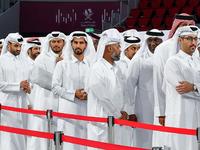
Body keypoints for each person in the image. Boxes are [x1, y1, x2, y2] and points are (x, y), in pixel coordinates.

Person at [152, 13, 195, 147]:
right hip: (172, 103)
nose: (187, 28)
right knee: (173, 141)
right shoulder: (163, 49)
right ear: (176, 27)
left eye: (190, 26)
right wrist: (161, 111)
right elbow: (158, 81)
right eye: (184, 25)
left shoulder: (195, 49)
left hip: (194, 104)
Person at [85, 29, 129, 149]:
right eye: (118, 47)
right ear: (109, 49)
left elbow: (122, 92)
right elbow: (103, 97)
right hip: (102, 122)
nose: (120, 50)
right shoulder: (97, 69)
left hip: (117, 120)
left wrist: (123, 111)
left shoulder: (117, 69)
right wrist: (117, 114)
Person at [52, 31, 95, 150]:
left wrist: (90, 94)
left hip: (87, 111)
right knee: (69, 145)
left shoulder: (92, 65)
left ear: (86, 45)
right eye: (75, 42)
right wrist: (73, 94)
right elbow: (54, 87)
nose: (78, 45)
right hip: (68, 112)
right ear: (71, 44)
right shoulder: (62, 64)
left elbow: (96, 86)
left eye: (81, 43)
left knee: (86, 143)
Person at [126, 29, 164, 149]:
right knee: (144, 140)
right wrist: (130, 111)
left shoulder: (167, 59)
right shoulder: (138, 60)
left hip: (164, 108)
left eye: (156, 40)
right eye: (150, 40)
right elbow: (129, 87)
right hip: (143, 110)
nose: (153, 44)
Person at [28, 31, 67, 150]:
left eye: (58, 42)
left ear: (64, 43)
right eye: (53, 42)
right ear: (49, 43)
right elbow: (38, 78)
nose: (56, 44)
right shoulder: (42, 58)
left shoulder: (68, 58)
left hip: (63, 103)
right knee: (42, 133)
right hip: (45, 101)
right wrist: (58, 67)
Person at [163, 25, 200, 150]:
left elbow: (189, 88)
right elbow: (182, 90)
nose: (193, 42)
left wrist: (194, 86)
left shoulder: (198, 61)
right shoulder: (173, 62)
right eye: (189, 38)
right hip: (181, 114)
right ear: (180, 40)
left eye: (195, 39)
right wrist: (194, 88)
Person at [0, 33, 30, 150]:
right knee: (9, 136)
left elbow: (29, 80)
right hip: (7, 104)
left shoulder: (22, 61)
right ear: (8, 45)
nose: (18, 49)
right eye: (15, 46)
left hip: (22, 103)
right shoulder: (1, 60)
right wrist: (18, 85)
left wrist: (28, 87)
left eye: (20, 46)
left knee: (22, 133)